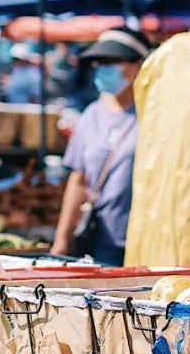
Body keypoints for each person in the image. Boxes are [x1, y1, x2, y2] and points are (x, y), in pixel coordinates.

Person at [51, 27, 151, 265]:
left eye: (112, 61)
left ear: (139, 65)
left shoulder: (154, 113)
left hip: (147, 240)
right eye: (98, 62)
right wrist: (61, 239)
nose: (103, 68)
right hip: (101, 241)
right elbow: (79, 179)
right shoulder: (91, 115)